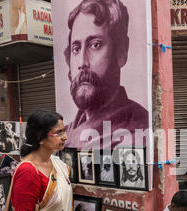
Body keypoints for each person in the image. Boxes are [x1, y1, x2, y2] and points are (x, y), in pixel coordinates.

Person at [63, 0, 149, 149]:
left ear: (121, 52)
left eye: (95, 45)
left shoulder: (138, 129)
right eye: (76, 49)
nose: (82, 62)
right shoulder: (67, 133)